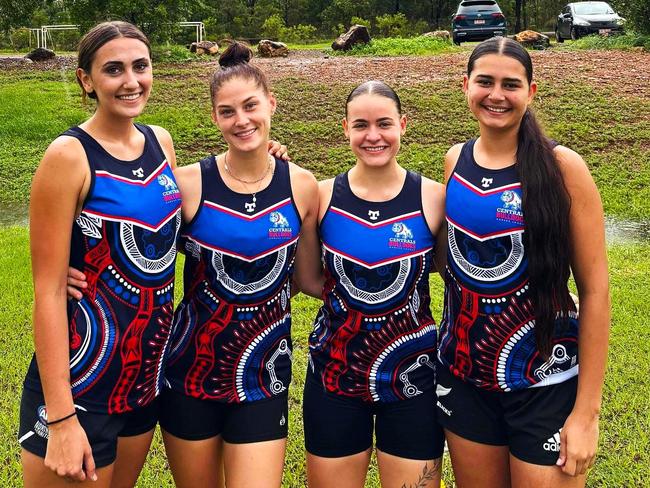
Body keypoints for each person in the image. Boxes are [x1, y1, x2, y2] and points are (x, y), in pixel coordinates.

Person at [435, 37, 609, 487]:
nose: (496, 94)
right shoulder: (455, 161)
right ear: (465, 87)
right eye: (485, 81)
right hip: (465, 377)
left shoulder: (563, 168)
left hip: (545, 382)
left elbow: (595, 291)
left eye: (510, 84)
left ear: (531, 92)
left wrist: (586, 414)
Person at [18, 21, 182, 487]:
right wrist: (62, 418)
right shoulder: (69, 156)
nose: (131, 81)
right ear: (86, 80)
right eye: (114, 69)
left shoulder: (161, 142)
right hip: (81, 383)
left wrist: (262, 159)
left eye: (140, 66)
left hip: (142, 381)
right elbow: (48, 292)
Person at [157, 41, 320, 488]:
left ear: (271, 103)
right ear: (215, 117)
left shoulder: (302, 186)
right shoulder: (188, 184)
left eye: (251, 106)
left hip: (263, 376)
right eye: (227, 112)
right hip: (189, 370)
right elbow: (137, 247)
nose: (242, 120)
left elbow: (309, 279)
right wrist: (79, 272)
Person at [301, 80, 446, 488]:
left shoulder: (434, 198)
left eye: (384, 124)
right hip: (334, 375)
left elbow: (463, 271)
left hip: (414, 379)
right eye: (360, 125)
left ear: (403, 124)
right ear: (344, 128)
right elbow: (311, 279)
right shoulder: (321, 196)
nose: (373, 136)